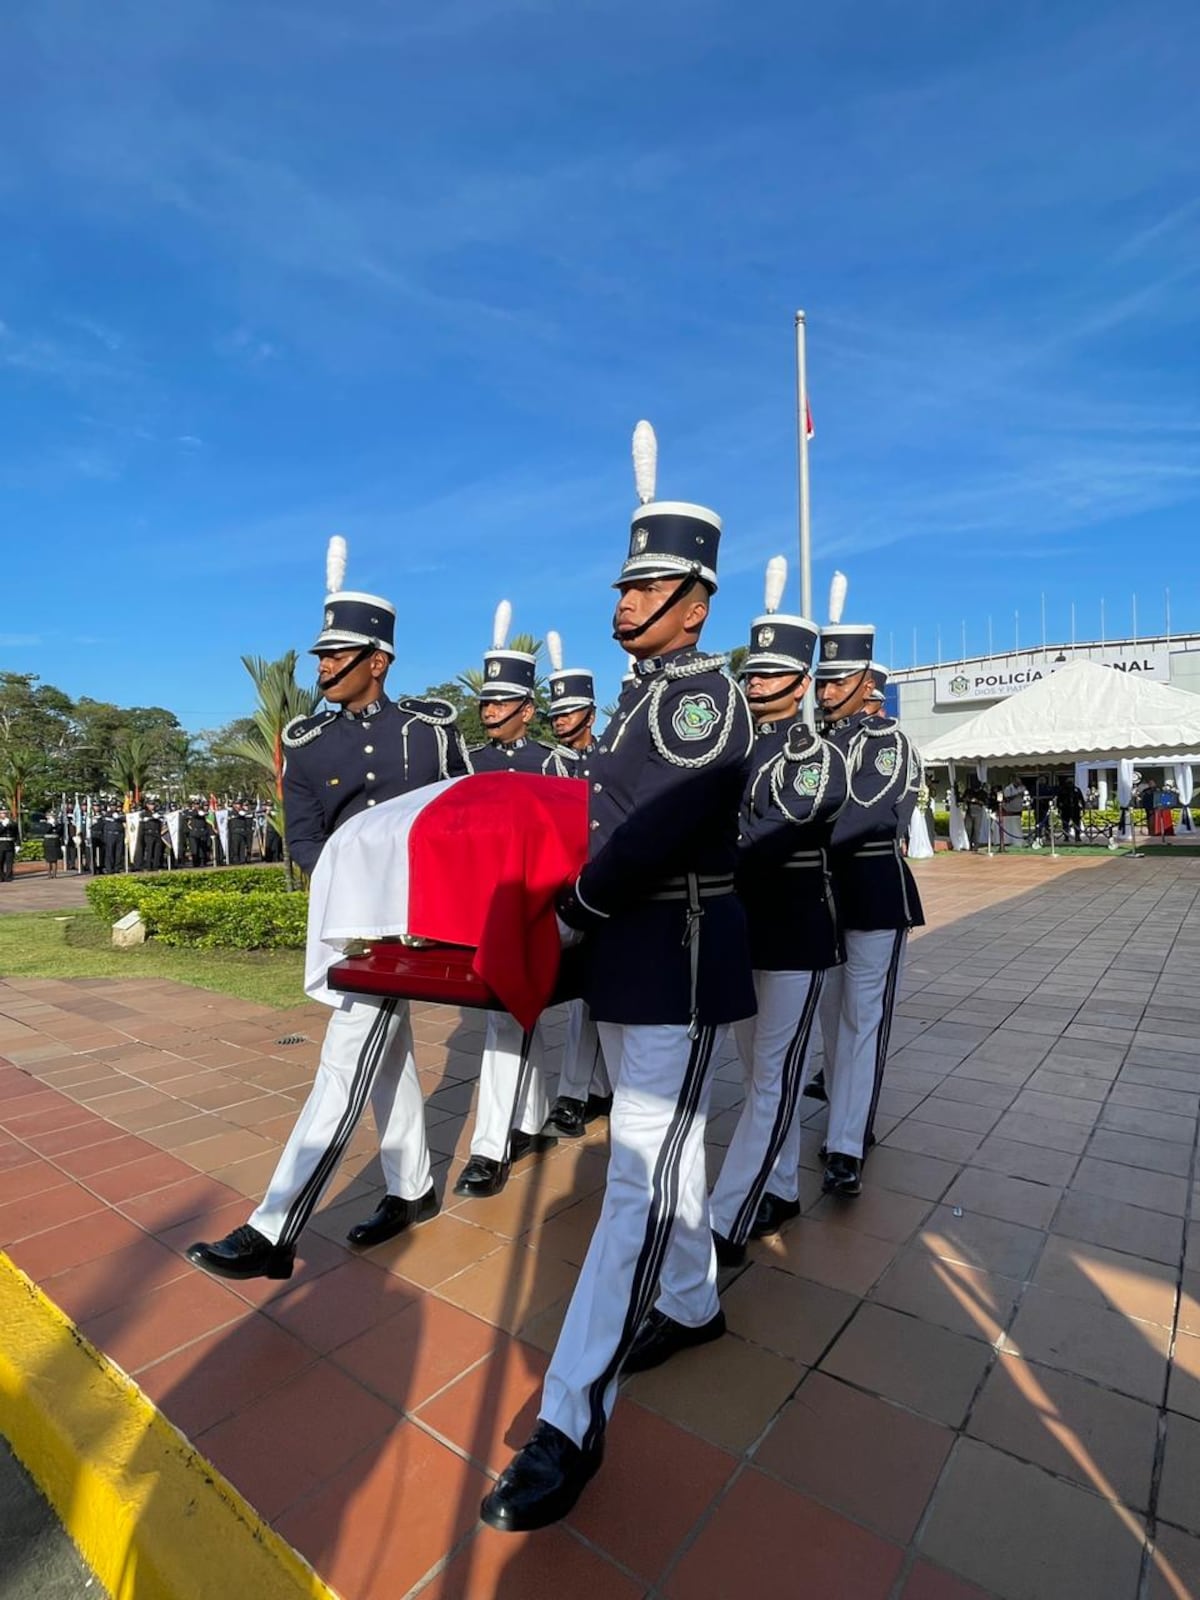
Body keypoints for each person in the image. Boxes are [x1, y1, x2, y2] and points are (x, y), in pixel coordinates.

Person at [482, 420, 755, 1532]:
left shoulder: (696, 697)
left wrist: (580, 900)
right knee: (664, 1154)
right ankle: (690, 1298)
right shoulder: (641, 700)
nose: (629, 600)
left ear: (697, 602)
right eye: (626, 583)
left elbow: (649, 829)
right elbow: (600, 812)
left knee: (634, 1178)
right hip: (638, 961)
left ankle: (569, 1420)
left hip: (677, 959)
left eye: (652, 586)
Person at [188, 546, 471, 1281]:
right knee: (375, 1052)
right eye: (320, 654)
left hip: (423, 922)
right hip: (359, 928)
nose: (320, 667)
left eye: (336, 654)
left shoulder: (431, 731)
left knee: (352, 1066)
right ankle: (402, 1190)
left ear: (378, 659)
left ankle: (278, 1226)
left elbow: (465, 818)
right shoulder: (307, 745)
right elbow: (307, 839)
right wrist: (358, 889)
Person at [707, 559, 847, 1266]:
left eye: (768, 675)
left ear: (799, 683)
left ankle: (727, 1213)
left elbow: (777, 831)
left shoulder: (814, 754)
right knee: (754, 1065)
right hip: (743, 928)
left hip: (793, 930)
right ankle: (782, 1184)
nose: (754, 683)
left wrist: (709, 855)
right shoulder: (730, 751)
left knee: (772, 1074)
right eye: (752, 673)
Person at [814, 582, 924, 1199]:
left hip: (873, 892)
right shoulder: (817, 742)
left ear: (865, 682)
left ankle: (846, 1145)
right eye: (821, 681)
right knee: (833, 1022)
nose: (825, 691)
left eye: (836, 681)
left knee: (862, 1021)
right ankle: (844, 1119)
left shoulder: (887, 744)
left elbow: (866, 813)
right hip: (823, 899)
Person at [453, 606, 566, 1199]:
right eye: (485, 703)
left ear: (527, 707)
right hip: (480, 908)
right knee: (511, 1014)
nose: (489, 712)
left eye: (500, 703)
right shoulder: (467, 765)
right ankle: (530, 1119)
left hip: (534, 907)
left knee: (507, 1014)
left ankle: (489, 1147)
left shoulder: (554, 764)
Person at [541, 633, 613, 1140]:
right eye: (555, 714)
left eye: (568, 713)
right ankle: (572, 1094)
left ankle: (601, 1088)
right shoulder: (551, 766)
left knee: (607, 994)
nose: (560, 721)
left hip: (612, 886)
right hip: (571, 890)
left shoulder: (612, 757)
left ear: (589, 712)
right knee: (582, 999)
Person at [136, 802, 166, 872]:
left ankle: (156, 866)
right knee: (149, 850)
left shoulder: (158, 813)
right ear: (147, 805)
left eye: (153, 804)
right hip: (148, 833)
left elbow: (162, 819)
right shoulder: (144, 813)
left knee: (157, 851)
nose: (152, 806)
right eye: (150, 804)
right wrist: (152, 817)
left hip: (157, 833)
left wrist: (159, 817)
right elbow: (142, 819)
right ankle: (148, 866)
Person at [42, 812, 64, 879]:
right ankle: (49, 874)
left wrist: (55, 825)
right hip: (48, 842)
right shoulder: (45, 824)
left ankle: (54, 875)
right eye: (50, 816)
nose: (52, 817)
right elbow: (46, 830)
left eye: (53, 816)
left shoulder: (58, 824)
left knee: (54, 860)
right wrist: (50, 824)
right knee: (48, 860)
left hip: (55, 842)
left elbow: (60, 833)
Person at [0, 809, 18, 882]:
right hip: (0, 844)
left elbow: (16, 834)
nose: (4, 814)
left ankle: (8, 877)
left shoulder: (12, 823)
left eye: (6, 813)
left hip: (10, 844)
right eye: (2, 813)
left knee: (9, 862)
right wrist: (3, 826)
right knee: (0, 861)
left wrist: (18, 844)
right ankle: (1, 877)